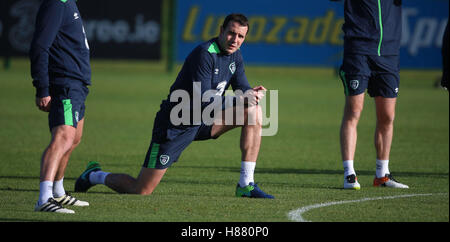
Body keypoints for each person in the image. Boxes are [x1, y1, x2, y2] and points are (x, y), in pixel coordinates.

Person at [74, 14, 274, 199]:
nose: (235, 40)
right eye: (231, 33)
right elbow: (204, 99)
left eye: (240, 36)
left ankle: (245, 184)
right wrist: (240, 99)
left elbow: (242, 88)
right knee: (142, 189)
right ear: (221, 30)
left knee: (254, 111)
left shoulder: (235, 56)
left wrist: (252, 94)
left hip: (204, 121)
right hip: (175, 124)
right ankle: (94, 175)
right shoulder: (204, 54)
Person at [333, 0, 409, 189]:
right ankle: (349, 173)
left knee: (387, 116)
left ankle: (382, 174)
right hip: (358, 51)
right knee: (354, 111)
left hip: (389, 53)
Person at [30, 0, 92, 213]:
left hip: (77, 83)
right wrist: (42, 87)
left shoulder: (68, 3)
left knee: (73, 139)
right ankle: (44, 198)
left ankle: (58, 192)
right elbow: (40, 45)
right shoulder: (56, 3)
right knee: (63, 137)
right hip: (65, 82)